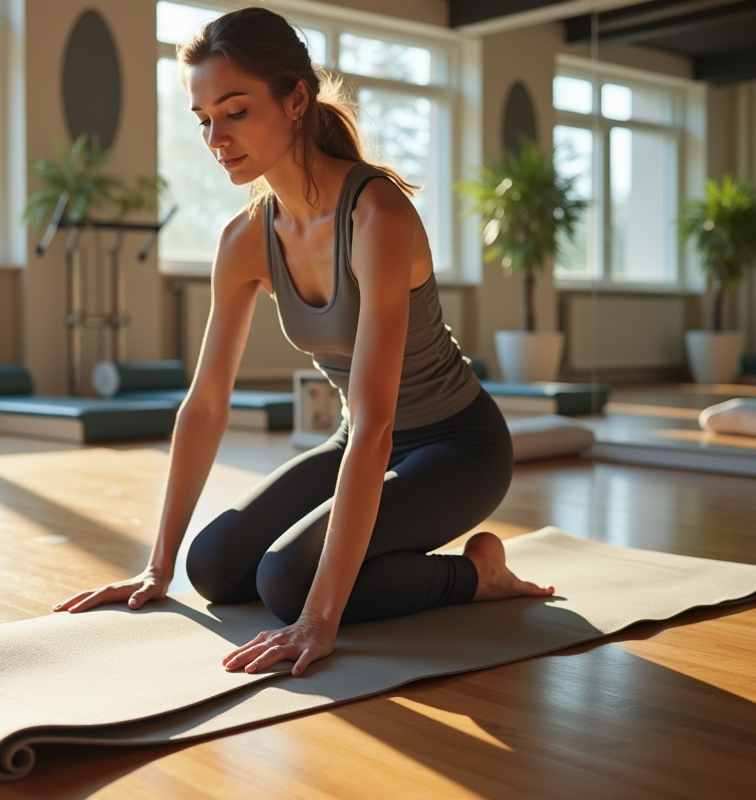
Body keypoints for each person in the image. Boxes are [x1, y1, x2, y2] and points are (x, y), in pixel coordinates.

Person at [53, 7, 552, 677]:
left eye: (234, 111)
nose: (215, 137)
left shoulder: (378, 215)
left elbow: (378, 424)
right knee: (214, 565)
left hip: (456, 444)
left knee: (289, 584)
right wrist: (158, 565)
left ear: (294, 100)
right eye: (204, 118)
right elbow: (205, 405)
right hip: (357, 440)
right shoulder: (243, 239)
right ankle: (279, 570)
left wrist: (319, 617)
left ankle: (477, 577)